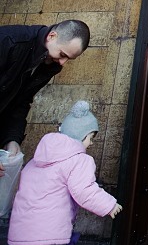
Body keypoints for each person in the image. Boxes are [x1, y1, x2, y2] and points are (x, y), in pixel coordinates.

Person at [0, 100, 122, 245]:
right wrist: (109, 204)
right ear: (81, 136)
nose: (91, 143)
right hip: (46, 235)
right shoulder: (79, 160)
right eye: (91, 137)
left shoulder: (36, 161)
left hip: (20, 234)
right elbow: (84, 190)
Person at [0, 21, 90, 176]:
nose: (62, 62)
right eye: (62, 55)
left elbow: (20, 103)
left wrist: (12, 139)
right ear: (52, 36)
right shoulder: (8, 40)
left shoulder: (48, 65)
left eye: (69, 59)